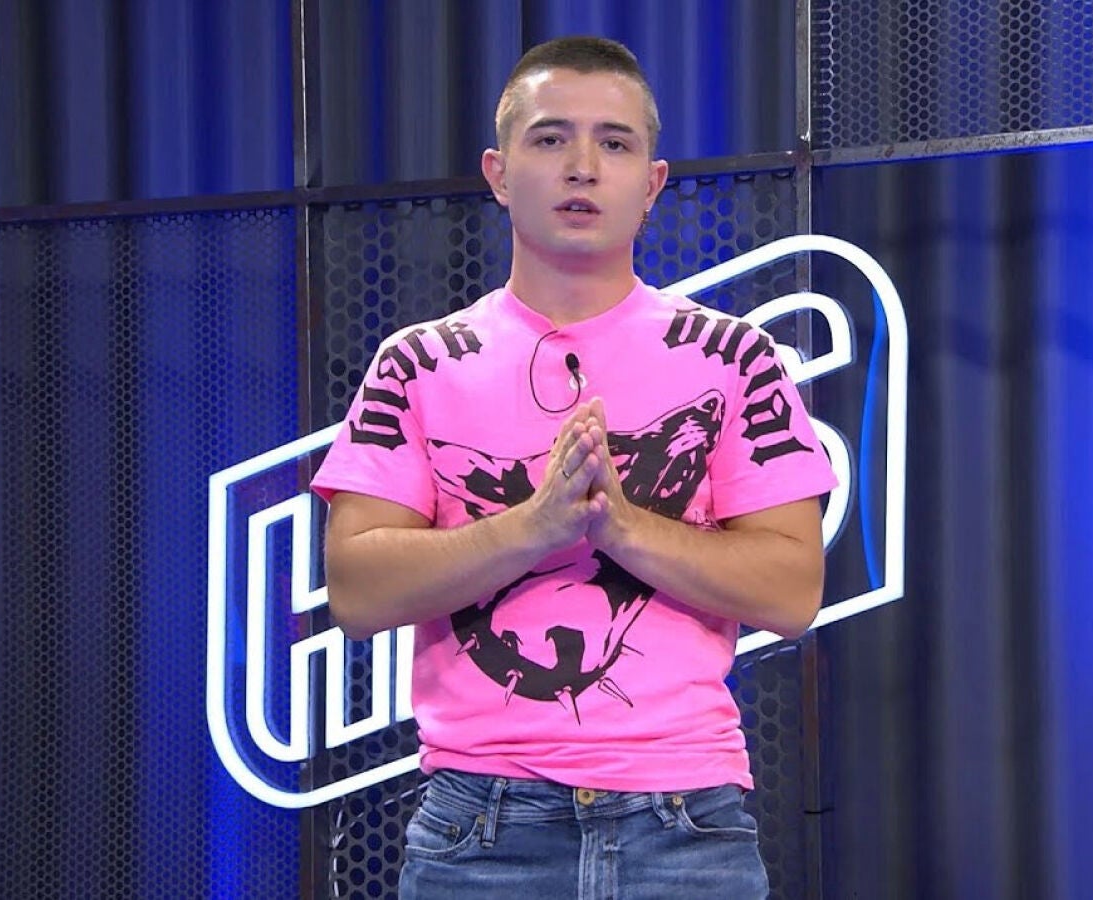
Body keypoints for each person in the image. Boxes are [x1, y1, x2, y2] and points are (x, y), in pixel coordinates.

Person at [311, 35, 836, 898]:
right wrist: (534, 526)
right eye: (551, 138)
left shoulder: (735, 359)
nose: (583, 166)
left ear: (653, 183)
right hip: (479, 834)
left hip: (685, 828)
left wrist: (620, 526)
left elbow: (792, 593)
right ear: (498, 172)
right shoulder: (418, 363)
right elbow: (358, 594)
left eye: (614, 142)